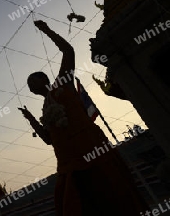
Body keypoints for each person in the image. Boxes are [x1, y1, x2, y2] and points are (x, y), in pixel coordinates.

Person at [18, 20, 149, 216]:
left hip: (92, 150)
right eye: (28, 85)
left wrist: (47, 31)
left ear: (43, 79)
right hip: (69, 163)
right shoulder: (45, 108)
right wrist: (31, 119)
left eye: (31, 81)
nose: (29, 86)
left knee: (115, 197)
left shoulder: (62, 84)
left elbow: (68, 51)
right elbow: (48, 139)